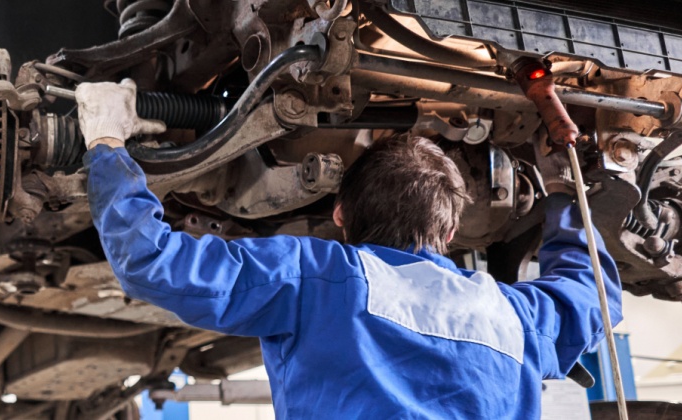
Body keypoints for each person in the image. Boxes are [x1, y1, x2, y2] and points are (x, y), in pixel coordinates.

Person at [77, 79, 623, 418]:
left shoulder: (314, 278)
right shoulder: (516, 317)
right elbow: (594, 295)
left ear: (340, 214)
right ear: (450, 231)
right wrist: (561, 191)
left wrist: (107, 144)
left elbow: (150, 259)